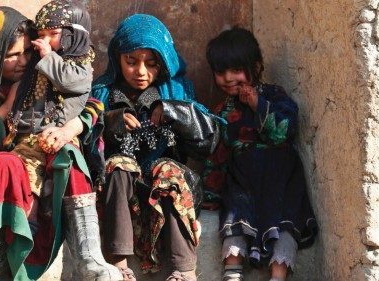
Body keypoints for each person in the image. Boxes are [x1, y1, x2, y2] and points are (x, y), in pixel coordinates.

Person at [0, 6, 121, 281]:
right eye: (11, 55)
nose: (24, 60)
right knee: (8, 163)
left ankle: (89, 257)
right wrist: (6, 107)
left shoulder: (41, 71)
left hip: (39, 165)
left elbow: (89, 101)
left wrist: (71, 128)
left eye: (27, 51)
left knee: (68, 154)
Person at [92, 14, 221, 281]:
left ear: (163, 64)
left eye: (151, 64)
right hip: (122, 192)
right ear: (118, 57)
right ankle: (118, 263)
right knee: (118, 166)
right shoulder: (103, 92)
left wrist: (175, 111)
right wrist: (111, 123)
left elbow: (209, 139)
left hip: (167, 186)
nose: (140, 71)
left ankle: (184, 269)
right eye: (131, 62)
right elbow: (86, 141)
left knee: (167, 171)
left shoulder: (176, 90)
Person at [203, 27, 318, 281]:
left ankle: (278, 276)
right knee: (234, 219)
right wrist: (211, 192)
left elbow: (283, 133)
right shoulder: (222, 110)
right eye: (221, 72)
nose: (228, 78)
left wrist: (257, 104)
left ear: (256, 66)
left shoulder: (275, 96)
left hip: (279, 178)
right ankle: (232, 273)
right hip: (242, 181)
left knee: (285, 224)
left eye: (236, 70)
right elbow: (218, 152)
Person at [3, 0, 95, 234]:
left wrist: (46, 56)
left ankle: (76, 239)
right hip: (33, 133)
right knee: (20, 168)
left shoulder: (81, 66)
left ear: (74, 35)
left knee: (54, 170)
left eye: (53, 34)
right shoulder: (42, 60)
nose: (44, 41)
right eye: (40, 35)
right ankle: (23, 220)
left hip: (59, 133)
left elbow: (67, 80)